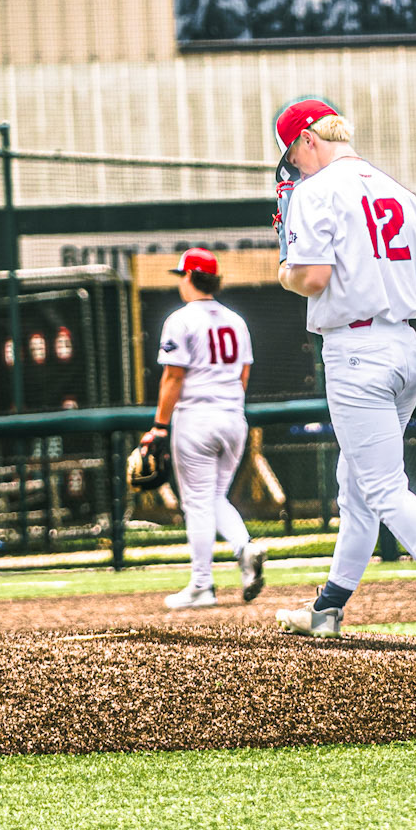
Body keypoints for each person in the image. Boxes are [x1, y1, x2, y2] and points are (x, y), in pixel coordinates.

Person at [272, 97, 416, 648]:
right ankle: (328, 608)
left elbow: (313, 278)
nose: (294, 167)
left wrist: (284, 271)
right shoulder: (399, 192)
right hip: (405, 349)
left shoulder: (315, 191)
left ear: (307, 139)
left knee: (382, 487)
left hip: (355, 352)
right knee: (357, 488)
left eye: (293, 155)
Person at [145, 248, 267, 611]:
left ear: (189, 277)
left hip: (196, 418)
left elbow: (173, 377)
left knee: (197, 503)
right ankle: (244, 547)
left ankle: (201, 584)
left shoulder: (180, 319)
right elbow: (244, 374)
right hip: (233, 418)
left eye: (181, 276)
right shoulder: (237, 321)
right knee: (213, 497)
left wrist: (159, 427)